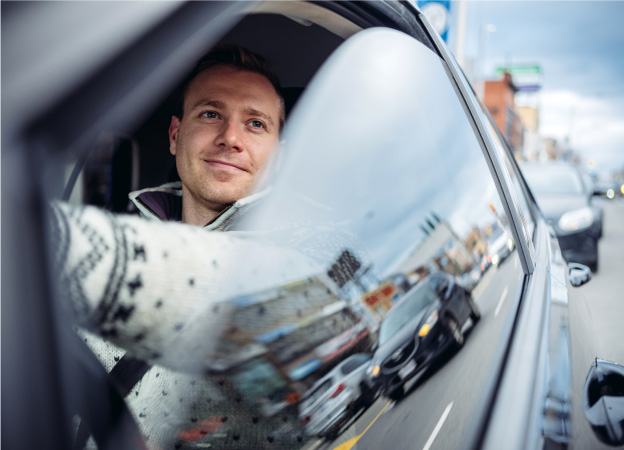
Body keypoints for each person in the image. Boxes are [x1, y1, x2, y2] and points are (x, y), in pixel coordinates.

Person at [128, 44, 286, 229]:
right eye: (211, 114)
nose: (230, 138)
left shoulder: (317, 252)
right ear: (175, 136)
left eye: (256, 124)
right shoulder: (121, 236)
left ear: (279, 156)